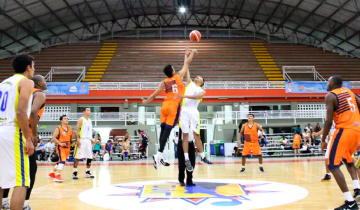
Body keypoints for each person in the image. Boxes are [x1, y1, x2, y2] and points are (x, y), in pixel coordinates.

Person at [142, 47, 197, 169]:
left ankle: (160, 154)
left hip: (164, 106)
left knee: (163, 131)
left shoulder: (164, 82)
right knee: (167, 132)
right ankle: (159, 155)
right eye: (173, 68)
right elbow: (187, 64)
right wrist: (191, 53)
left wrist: (146, 101)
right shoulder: (178, 77)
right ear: (172, 71)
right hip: (173, 105)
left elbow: (155, 95)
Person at [0, 54, 35, 210]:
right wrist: (28, 138)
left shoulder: (3, 83)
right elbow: (21, 112)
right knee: (21, 181)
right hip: (12, 131)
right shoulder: (26, 82)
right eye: (33, 66)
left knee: (1, 180)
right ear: (28, 67)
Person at [321, 76, 360, 209]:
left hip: (344, 131)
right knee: (348, 160)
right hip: (356, 131)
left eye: (327, 82)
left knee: (332, 165)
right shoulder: (351, 93)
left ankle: (350, 203)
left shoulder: (330, 96)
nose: (327, 84)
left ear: (332, 83)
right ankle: (357, 189)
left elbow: (328, 121)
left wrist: (323, 139)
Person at [178, 62, 212, 172]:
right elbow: (187, 66)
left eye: (199, 77)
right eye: (196, 76)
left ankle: (203, 157)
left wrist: (184, 96)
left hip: (193, 111)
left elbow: (196, 97)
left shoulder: (202, 91)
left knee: (196, 135)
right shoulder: (190, 83)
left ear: (201, 82)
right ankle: (187, 159)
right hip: (184, 110)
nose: (197, 76)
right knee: (185, 135)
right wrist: (187, 55)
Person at [48, 115, 73, 182]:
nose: (67, 119)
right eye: (65, 118)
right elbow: (53, 138)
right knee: (63, 160)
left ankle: (52, 173)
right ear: (61, 121)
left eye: (67, 118)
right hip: (61, 147)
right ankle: (58, 176)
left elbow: (70, 137)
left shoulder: (69, 128)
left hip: (67, 147)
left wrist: (75, 134)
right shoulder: (58, 128)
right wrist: (60, 143)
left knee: (60, 161)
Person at [73, 107, 95, 179]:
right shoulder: (81, 119)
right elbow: (76, 130)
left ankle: (87, 172)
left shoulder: (90, 120)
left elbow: (88, 131)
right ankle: (74, 172)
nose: (89, 112)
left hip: (88, 140)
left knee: (89, 157)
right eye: (88, 110)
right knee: (78, 157)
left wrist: (91, 139)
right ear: (84, 112)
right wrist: (78, 140)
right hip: (81, 140)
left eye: (90, 110)